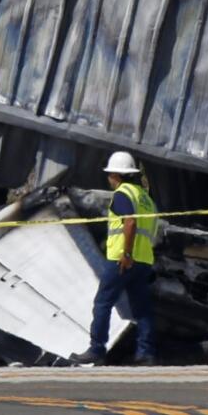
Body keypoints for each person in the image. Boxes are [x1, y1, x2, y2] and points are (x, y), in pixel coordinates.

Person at [70, 151, 159, 366]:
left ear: (117, 176)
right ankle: (145, 353)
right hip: (143, 260)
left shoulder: (122, 194)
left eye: (110, 175)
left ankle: (96, 349)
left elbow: (129, 223)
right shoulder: (146, 199)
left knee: (103, 303)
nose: (109, 179)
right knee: (142, 309)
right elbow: (153, 232)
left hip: (123, 260)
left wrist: (126, 254)